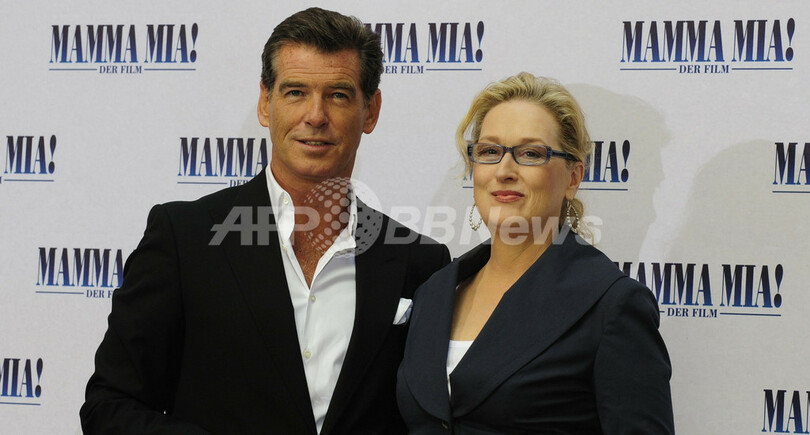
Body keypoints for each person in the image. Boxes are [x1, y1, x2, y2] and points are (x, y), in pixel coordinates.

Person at [80, 7, 450, 434]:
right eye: (295, 92)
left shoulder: (420, 262)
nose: (315, 115)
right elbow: (109, 406)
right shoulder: (185, 237)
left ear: (371, 111)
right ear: (264, 102)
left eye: (338, 95)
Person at [397, 72, 674, 433]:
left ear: (573, 178)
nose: (504, 170)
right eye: (490, 151)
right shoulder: (434, 292)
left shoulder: (610, 305)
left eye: (530, 154)